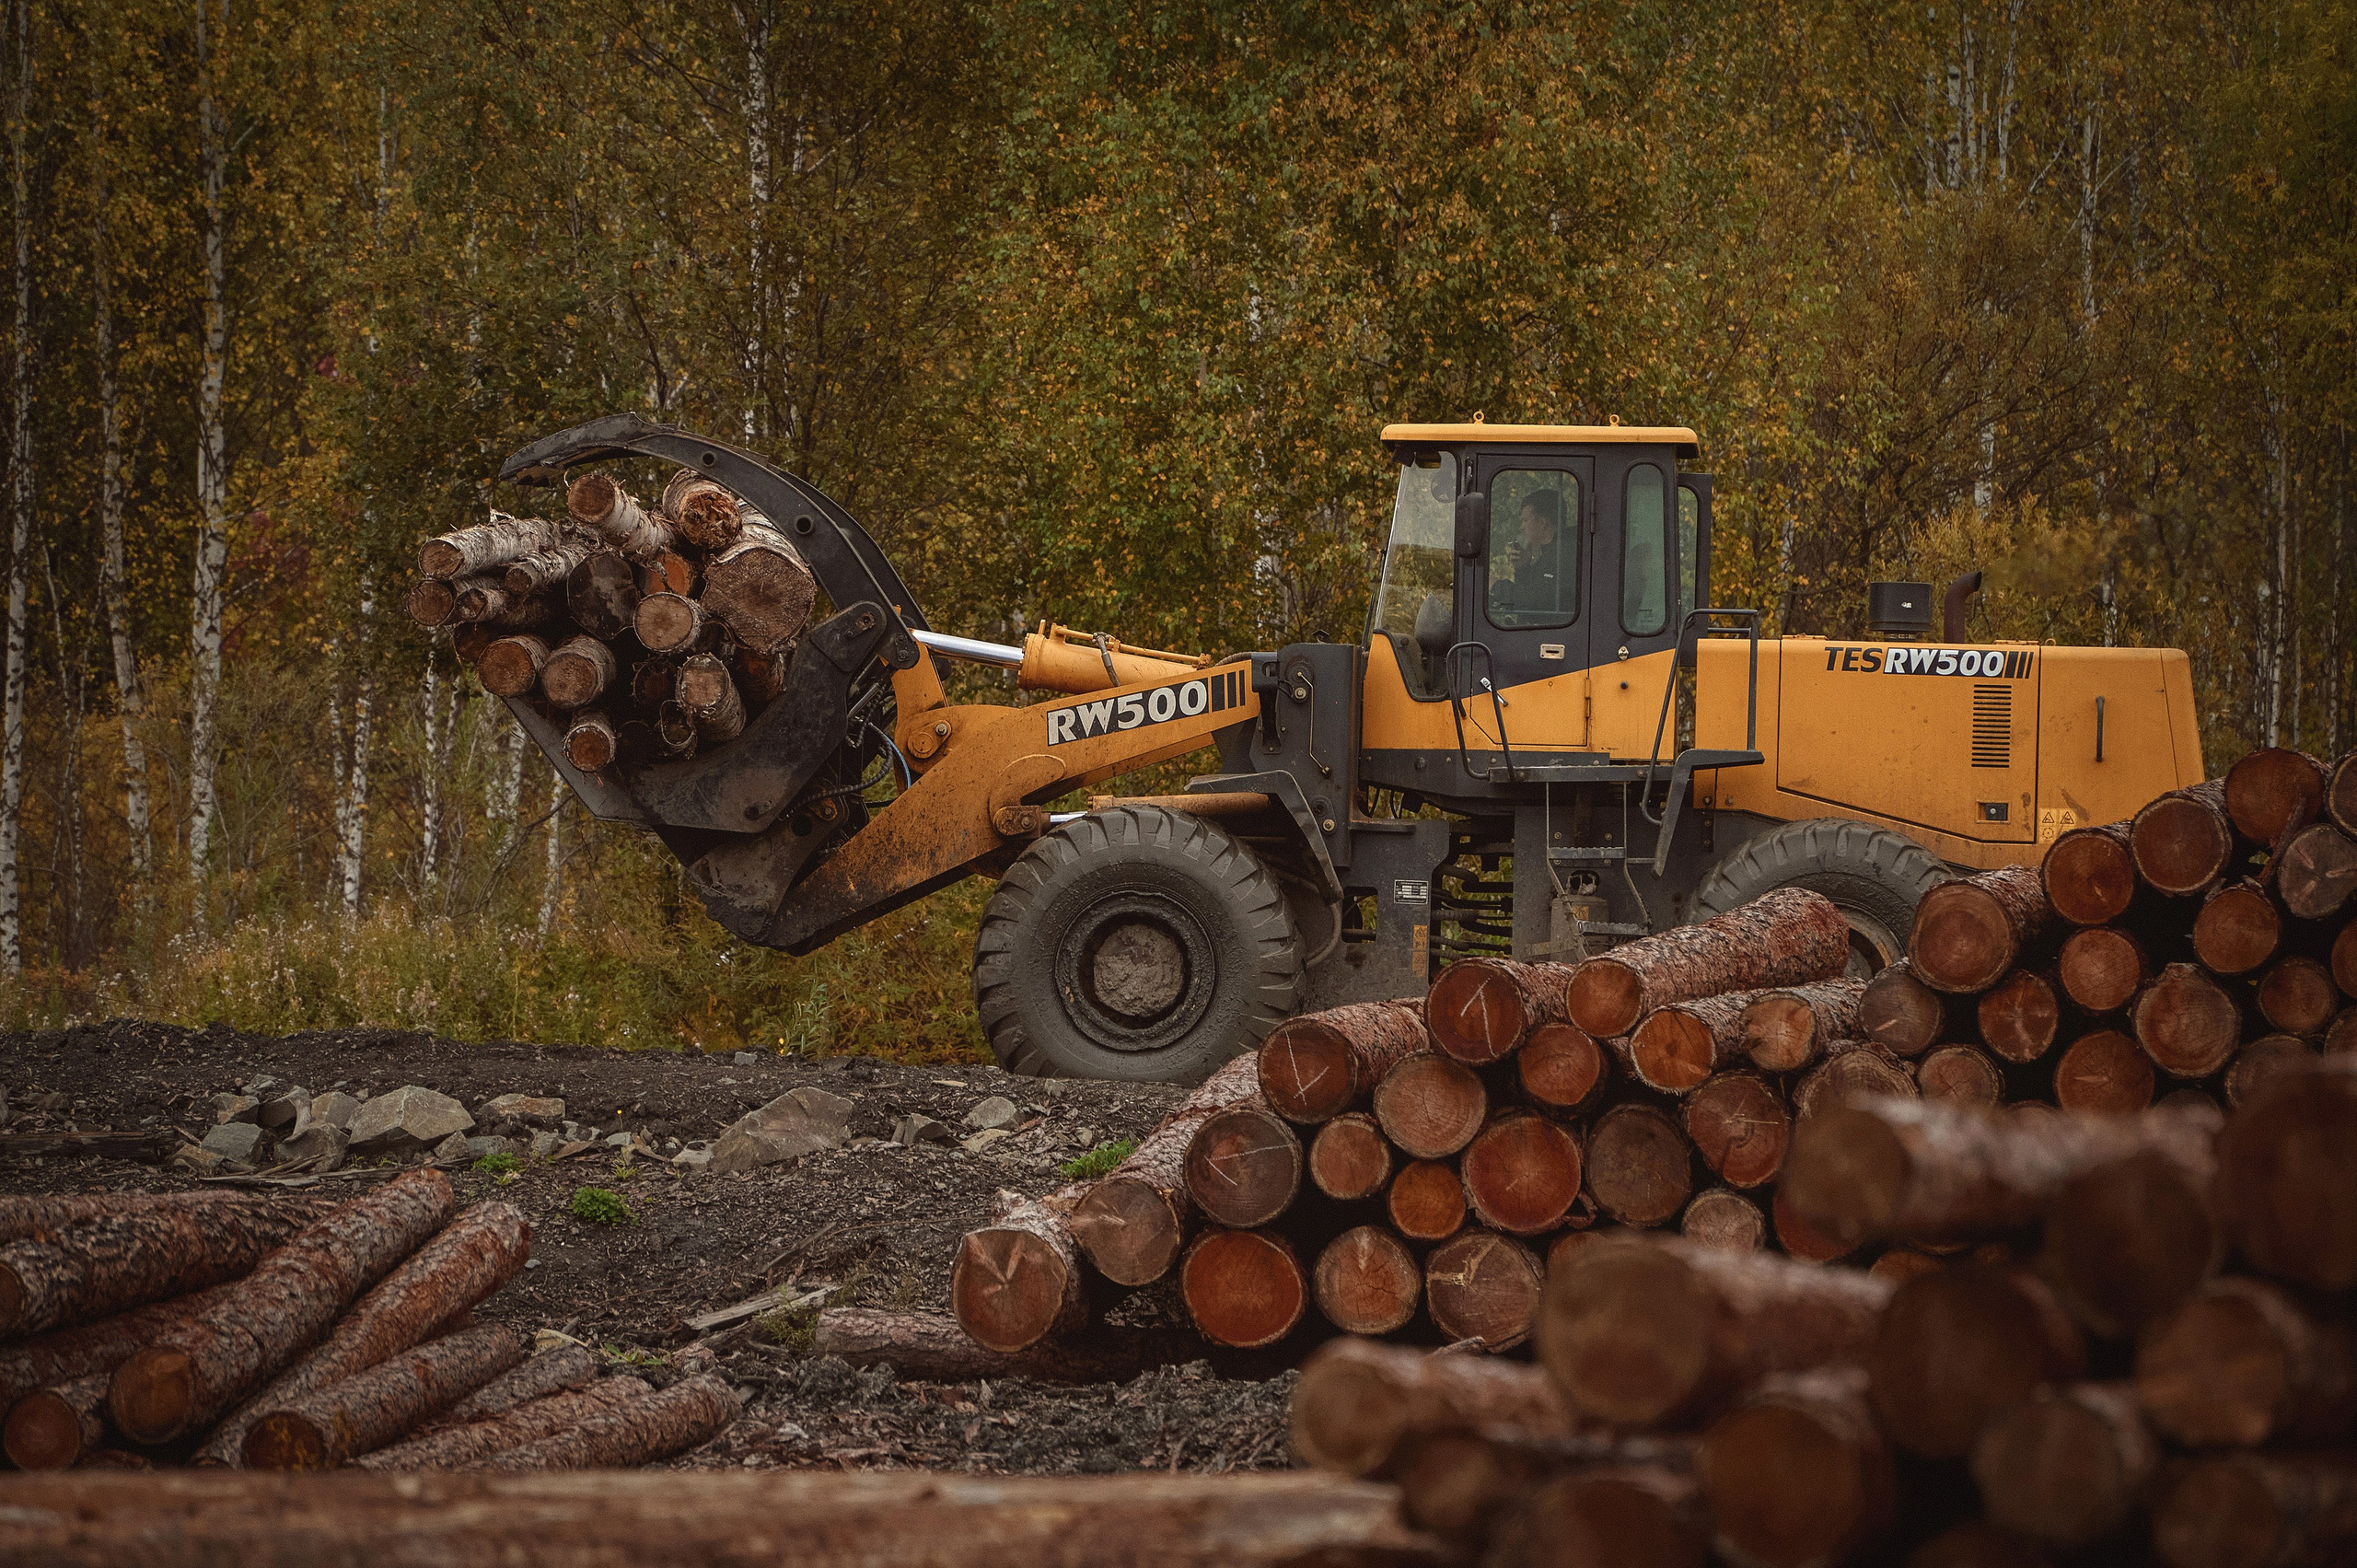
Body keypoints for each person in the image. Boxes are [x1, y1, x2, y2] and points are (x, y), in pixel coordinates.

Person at [1493, 489, 1568, 621]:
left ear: (1542, 523)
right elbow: (1531, 603)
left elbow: (1534, 602)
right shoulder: (1549, 556)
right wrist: (1523, 568)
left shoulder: (1564, 558)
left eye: (1525, 520)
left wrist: (1495, 586)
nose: (1522, 527)